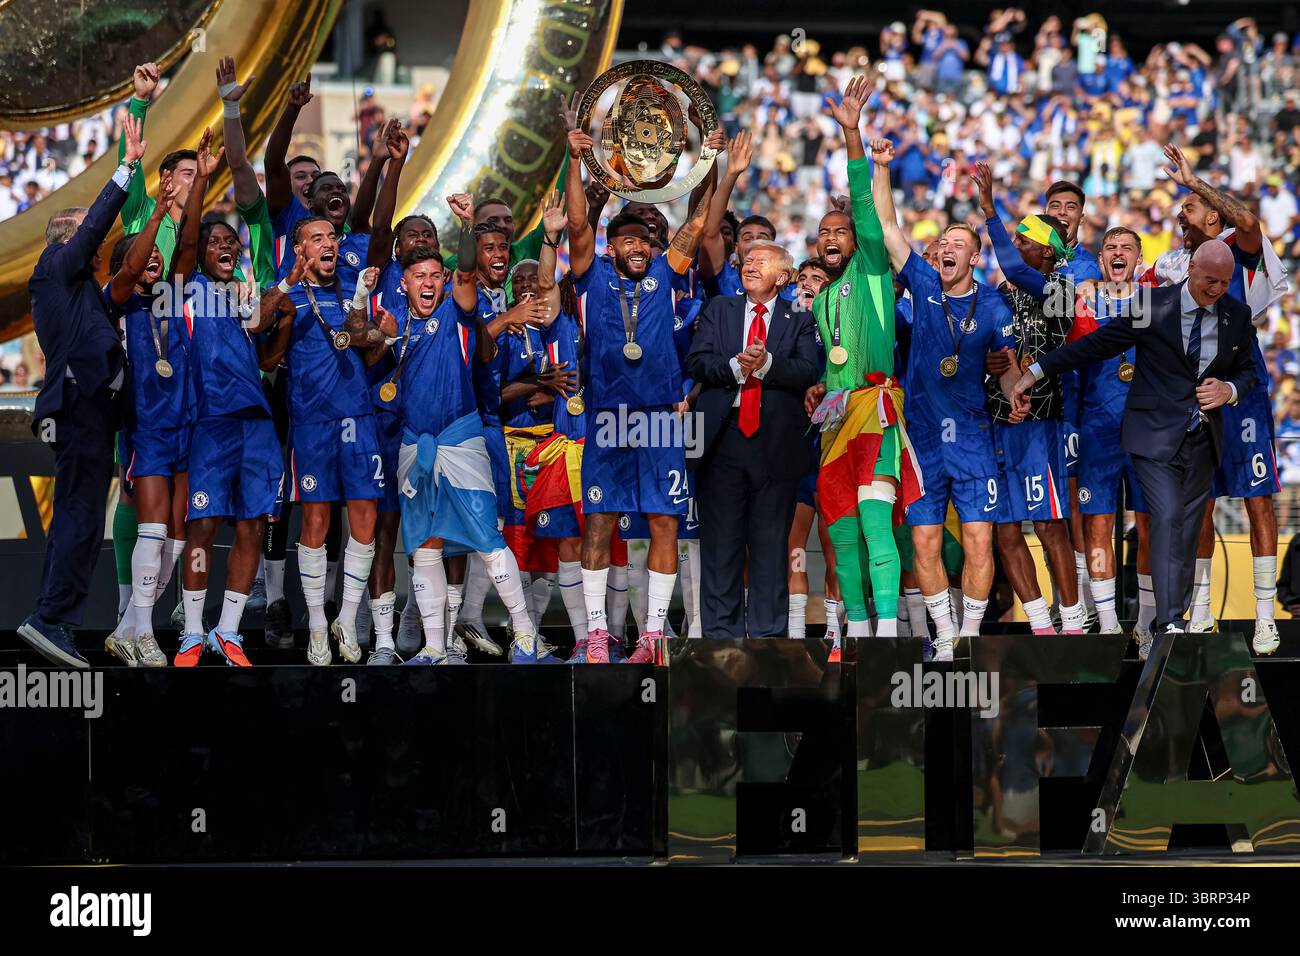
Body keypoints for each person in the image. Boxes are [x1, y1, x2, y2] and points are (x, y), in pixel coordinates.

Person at [1008, 240, 1257, 659]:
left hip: (1202, 439)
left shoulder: (1237, 314)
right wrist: (1035, 371)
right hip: (1152, 435)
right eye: (1210, 280)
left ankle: (1175, 618)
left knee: (1187, 526)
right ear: (1191, 269)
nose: (1217, 289)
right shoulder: (1152, 303)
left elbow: (1248, 370)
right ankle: (1170, 621)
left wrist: (1229, 388)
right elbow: (1098, 344)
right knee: (1166, 516)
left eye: (1225, 282)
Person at [562, 110, 718, 664]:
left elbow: (699, 226)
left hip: (657, 417)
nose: (638, 246)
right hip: (607, 416)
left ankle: (653, 635)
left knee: (662, 521)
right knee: (600, 522)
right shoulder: (593, 275)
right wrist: (579, 158)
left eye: (644, 240)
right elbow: (579, 225)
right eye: (627, 238)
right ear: (611, 246)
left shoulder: (665, 273)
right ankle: (600, 635)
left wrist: (716, 163)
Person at [873, 138, 1015, 662]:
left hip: (975, 442)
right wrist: (882, 168)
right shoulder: (924, 284)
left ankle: (971, 636)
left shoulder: (995, 306)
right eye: (944, 242)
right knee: (925, 545)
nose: (948, 247)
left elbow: (1008, 368)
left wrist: (1016, 391)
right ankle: (945, 631)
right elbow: (889, 229)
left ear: (974, 257)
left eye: (959, 242)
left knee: (980, 542)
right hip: (923, 442)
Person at [17, 116, 146, 669]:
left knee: (82, 516)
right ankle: (51, 618)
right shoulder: (53, 270)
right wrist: (125, 170)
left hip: (93, 411)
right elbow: (93, 229)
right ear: (69, 243)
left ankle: (54, 616)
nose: (97, 241)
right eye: (86, 234)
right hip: (78, 407)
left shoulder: (84, 295)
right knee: (77, 514)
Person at [801, 80, 920, 648]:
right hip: (833, 420)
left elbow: (868, 211)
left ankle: (888, 633)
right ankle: (853, 628)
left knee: (876, 526)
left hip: (875, 416)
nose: (831, 237)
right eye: (823, 232)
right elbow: (833, 365)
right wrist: (820, 391)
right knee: (839, 532)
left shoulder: (873, 273)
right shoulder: (822, 300)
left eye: (840, 231)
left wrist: (851, 133)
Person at [972, 162, 1084, 636]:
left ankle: (1074, 619)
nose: (1015, 246)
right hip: (998, 421)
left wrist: (990, 211)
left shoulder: (1061, 287)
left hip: (1042, 422)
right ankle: (1039, 623)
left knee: (1050, 525)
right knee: (1005, 530)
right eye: (1013, 237)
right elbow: (984, 346)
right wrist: (990, 366)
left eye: (1024, 239)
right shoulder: (997, 292)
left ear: (1048, 251)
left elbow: (1015, 267)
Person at [687, 240, 819, 636]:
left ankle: (767, 638)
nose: (749, 265)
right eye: (747, 261)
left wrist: (765, 366)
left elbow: (807, 370)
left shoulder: (799, 315)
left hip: (775, 443)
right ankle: (719, 640)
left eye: (760, 262)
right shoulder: (720, 308)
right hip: (722, 440)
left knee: (769, 545)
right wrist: (733, 367)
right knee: (720, 546)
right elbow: (696, 361)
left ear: (782, 276)